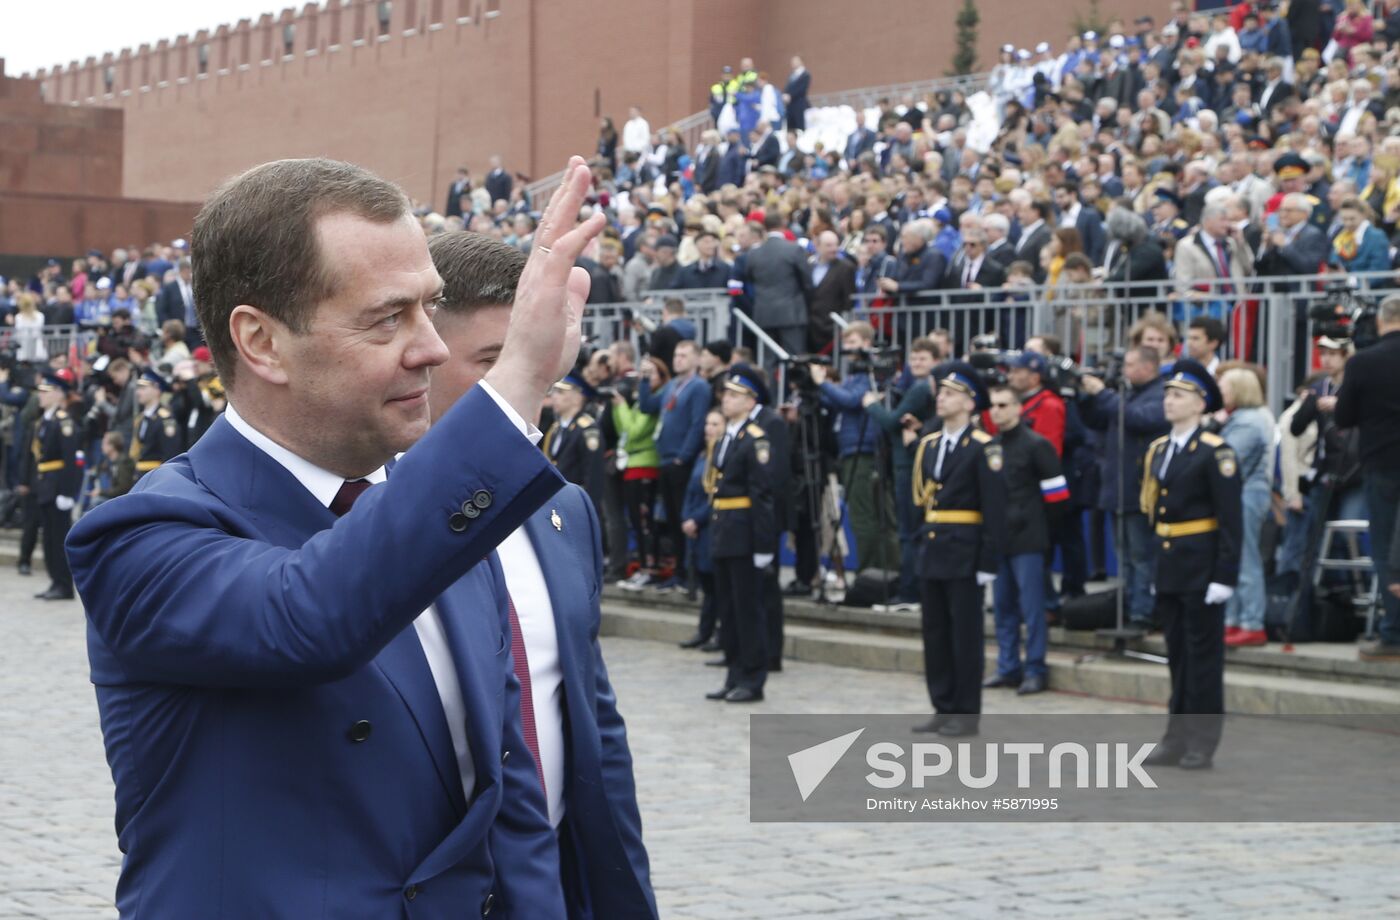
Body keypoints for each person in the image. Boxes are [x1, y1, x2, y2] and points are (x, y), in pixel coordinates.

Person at [66, 155, 609, 917]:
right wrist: (516, 379)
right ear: (261, 341)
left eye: (429, 308)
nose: (432, 348)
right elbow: (311, 615)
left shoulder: (446, 523)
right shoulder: (142, 536)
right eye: (388, 318)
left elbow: (509, 802)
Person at [423, 229, 656, 919]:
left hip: (554, 880)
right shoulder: (359, 514)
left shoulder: (563, 508)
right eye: (493, 361)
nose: (524, 383)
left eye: (533, 358)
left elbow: (593, 721)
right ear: (420, 354)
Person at [1140, 359, 1243, 771]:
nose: (1169, 400)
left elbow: (1231, 521)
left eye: (1179, 395)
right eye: (1168, 393)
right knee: (1178, 657)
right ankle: (1176, 737)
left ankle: (1202, 740)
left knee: (1203, 659)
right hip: (1171, 565)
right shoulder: (1160, 450)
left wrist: (1224, 575)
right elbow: (1156, 515)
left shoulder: (1216, 452)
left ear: (1200, 404)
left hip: (1202, 567)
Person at [910, 363, 1007, 737]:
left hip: (965, 550)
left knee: (965, 636)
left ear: (969, 403)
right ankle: (943, 705)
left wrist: (988, 559)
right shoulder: (930, 444)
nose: (942, 399)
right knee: (935, 633)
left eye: (951, 394)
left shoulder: (984, 447)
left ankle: (966, 713)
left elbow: (994, 508)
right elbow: (921, 502)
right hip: (934, 547)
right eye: (941, 392)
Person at [983, 384, 1069, 696]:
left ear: (1019, 408)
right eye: (993, 405)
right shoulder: (991, 447)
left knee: (1033, 610)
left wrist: (1038, 528)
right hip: (1000, 539)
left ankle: (1035, 669)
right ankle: (1008, 667)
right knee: (1003, 608)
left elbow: (1057, 497)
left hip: (1028, 539)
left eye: (1003, 405)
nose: (996, 411)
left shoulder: (1037, 445)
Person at [1079, 346, 1171, 628]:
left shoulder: (1160, 394)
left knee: (1141, 556)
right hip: (1118, 488)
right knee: (1124, 556)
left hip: (1139, 490)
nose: (1124, 371)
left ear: (1148, 366)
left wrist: (1103, 394)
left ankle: (1143, 612)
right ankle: (1129, 606)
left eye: (1130, 365)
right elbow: (1096, 421)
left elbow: (1137, 419)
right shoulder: (1127, 393)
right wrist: (1085, 398)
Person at [705, 364, 777, 704]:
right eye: (726, 394)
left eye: (735, 395)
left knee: (748, 610)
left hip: (745, 534)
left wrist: (764, 545)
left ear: (751, 402)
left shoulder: (756, 440)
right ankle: (733, 674)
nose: (727, 399)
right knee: (729, 610)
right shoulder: (725, 438)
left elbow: (763, 496)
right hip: (724, 531)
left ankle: (753, 677)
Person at [1335, 296, 1400, 660]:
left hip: (1383, 462)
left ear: (1380, 322)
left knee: (1386, 547)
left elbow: (1344, 417)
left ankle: (1394, 633)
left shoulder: (1364, 362)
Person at [811, 322, 899, 573]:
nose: (847, 348)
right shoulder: (854, 376)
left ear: (867, 343)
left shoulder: (868, 375)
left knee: (864, 517)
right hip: (852, 450)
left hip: (864, 451)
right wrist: (816, 390)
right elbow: (839, 402)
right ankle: (878, 571)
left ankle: (870, 572)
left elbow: (850, 401)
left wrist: (823, 383)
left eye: (853, 342)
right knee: (867, 515)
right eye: (846, 342)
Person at [863, 337, 939, 609]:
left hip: (908, 464)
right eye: (914, 358)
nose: (917, 363)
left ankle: (909, 592)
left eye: (923, 358)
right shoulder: (919, 387)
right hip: (910, 461)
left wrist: (871, 404)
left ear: (935, 361)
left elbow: (891, 421)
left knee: (908, 531)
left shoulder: (921, 388)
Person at [637, 341, 710, 590]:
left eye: (684, 355)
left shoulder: (699, 387)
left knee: (683, 516)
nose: (678, 359)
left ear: (696, 359)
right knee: (671, 518)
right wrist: (645, 379)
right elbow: (647, 406)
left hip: (681, 461)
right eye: (676, 355)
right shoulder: (671, 386)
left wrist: (684, 456)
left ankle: (689, 573)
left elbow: (697, 424)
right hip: (665, 460)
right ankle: (678, 571)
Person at [1217, 367, 1276, 648]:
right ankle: (1233, 619)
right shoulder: (1238, 419)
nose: (1219, 392)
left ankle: (1252, 623)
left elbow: (1226, 461)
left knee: (1246, 558)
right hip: (1240, 495)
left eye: (1224, 387)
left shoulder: (1249, 423)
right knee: (1234, 556)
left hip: (1247, 496)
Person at [30, 371, 82, 601]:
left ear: (59, 394)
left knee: (59, 538)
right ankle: (55, 581)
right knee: (49, 539)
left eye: (46, 391)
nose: (41, 395)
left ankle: (64, 585)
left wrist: (68, 492)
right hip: (45, 486)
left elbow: (72, 460)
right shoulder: (45, 421)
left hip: (58, 487)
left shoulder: (64, 422)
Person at [679, 409, 725, 649]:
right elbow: (691, 490)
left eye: (715, 424)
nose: (709, 429)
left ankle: (720, 633)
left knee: (716, 583)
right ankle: (704, 630)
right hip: (694, 527)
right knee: (706, 583)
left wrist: (696, 520)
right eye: (708, 423)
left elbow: (715, 495)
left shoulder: (722, 455)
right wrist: (686, 517)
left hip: (709, 526)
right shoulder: (702, 455)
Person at [741, 211, 814, 359]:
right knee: (794, 359)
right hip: (792, 312)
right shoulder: (794, 249)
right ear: (783, 224)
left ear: (764, 227)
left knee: (767, 360)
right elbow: (807, 282)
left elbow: (749, 278)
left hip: (764, 312)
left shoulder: (754, 253)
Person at [129, 368, 182, 480]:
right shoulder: (141, 418)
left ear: (157, 390)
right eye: (138, 388)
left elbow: (170, 453)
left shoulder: (165, 419)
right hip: (142, 475)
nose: (138, 392)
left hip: (156, 475)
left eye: (143, 388)